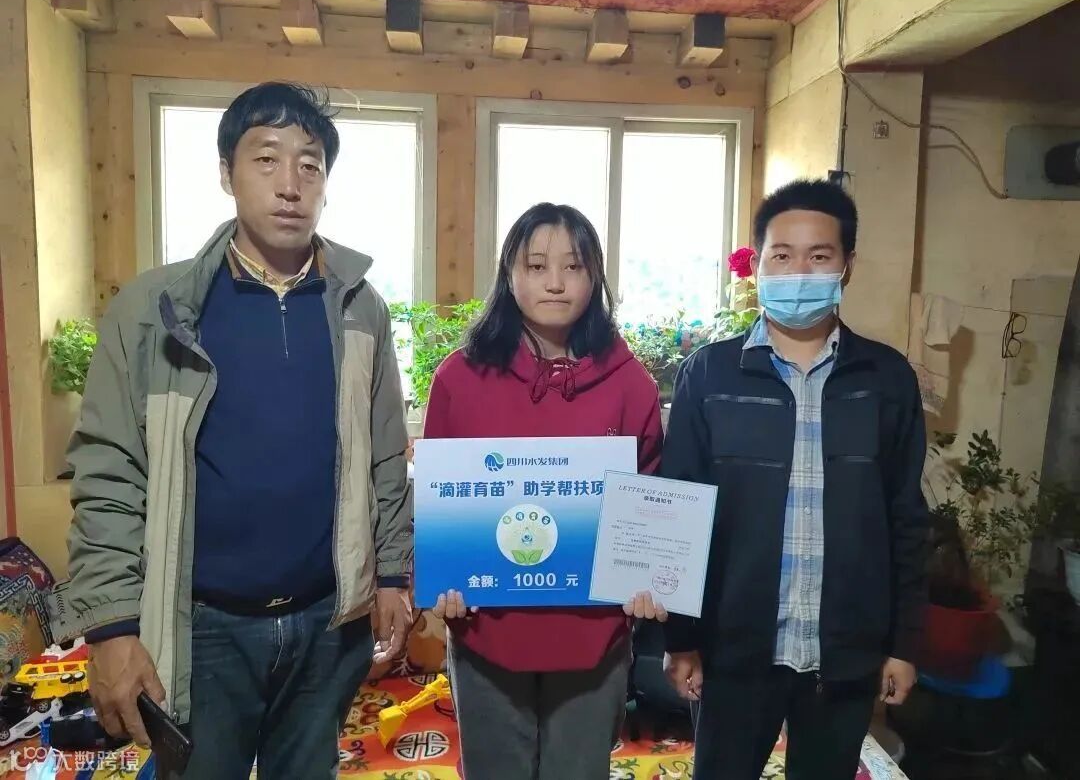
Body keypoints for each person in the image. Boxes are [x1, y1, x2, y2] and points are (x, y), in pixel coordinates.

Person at [56, 82, 413, 778]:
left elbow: (384, 456)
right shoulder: (154, 309)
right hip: (201, 629)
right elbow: (109, 473)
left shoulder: (359, 308)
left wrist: (394, 575)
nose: (290, 185)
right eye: (266, 159)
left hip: (327, 625)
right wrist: (111, 626)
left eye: (309, 165)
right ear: (227, 173)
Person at [662, 179, 928, 779]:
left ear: (847, 266)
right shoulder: (709, 374)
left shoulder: (886, 379)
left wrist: (904, 644)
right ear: (756, 266)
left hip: (846, 654)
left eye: (818, 256)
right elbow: (679, 510)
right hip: (735, 651)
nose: (798, 272)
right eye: (781, 256)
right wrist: (681, 639)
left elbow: (906, 518)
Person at [424, 203, 666, 779]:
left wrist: (650, 575)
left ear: (595, 277)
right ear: (509, 274)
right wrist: (440, 580)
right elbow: (438, 505)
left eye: (573, 266)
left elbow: (650, 500)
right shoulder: (458, 378)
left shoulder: (632, 384)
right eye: (536, 266)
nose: (555, 282)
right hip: (486, 632)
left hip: (594, 638)